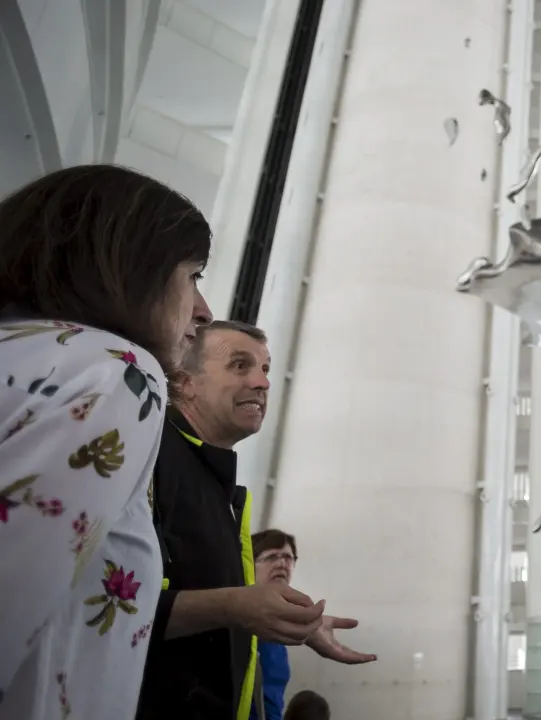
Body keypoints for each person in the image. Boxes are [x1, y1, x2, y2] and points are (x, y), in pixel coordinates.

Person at [0, 165, 212, 719]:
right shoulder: (117, 369)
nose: (204, 311)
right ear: (131, 265)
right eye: (193, 276)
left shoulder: (20, 348)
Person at [137, 321, 375, 720]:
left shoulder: (219, 487)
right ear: (185, 382)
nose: (262, 382)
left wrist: (290, 620)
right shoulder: (151, 458)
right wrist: (235, 606)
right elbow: (106, 606)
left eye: (265, 369)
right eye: (239, 365)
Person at [249, 529, 301, 720]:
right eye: (271, 557)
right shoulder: (231, 618)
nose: (281, 563)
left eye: (288, 557)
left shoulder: (279, 632)